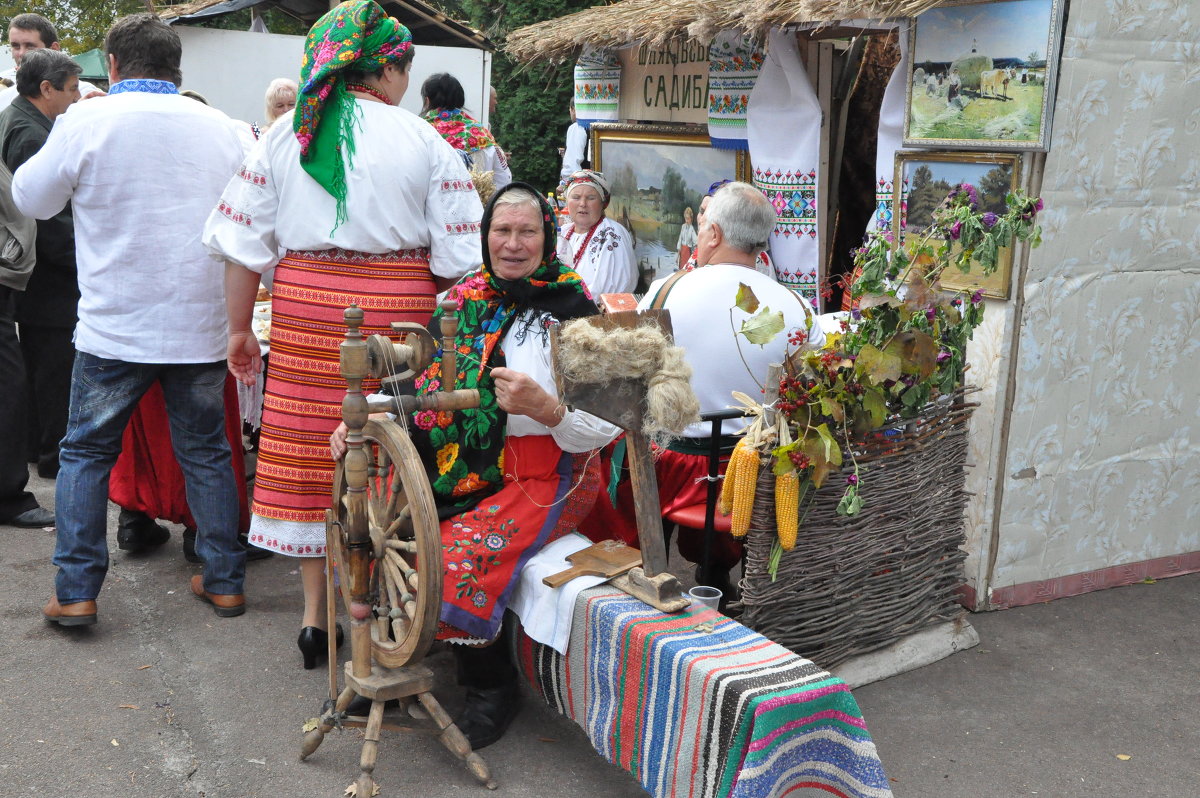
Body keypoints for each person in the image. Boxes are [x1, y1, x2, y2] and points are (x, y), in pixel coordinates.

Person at [205, 0, 484, 669]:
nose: (403, 89)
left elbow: (243, 247)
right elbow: (460, 264)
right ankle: (384, 607)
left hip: (304, 316)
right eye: (403, 75)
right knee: (387, 458)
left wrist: (240, 330)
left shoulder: (283, 134)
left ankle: (315, 620)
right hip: (397, 319)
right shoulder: (423, 140)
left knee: (309, 458)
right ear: (386, 68)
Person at [331, 183, 619, 749]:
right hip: (454, 461)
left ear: (548, 236)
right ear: (486, 235)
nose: (513, 244)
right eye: (501, 231)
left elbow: (608, 427)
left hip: (548, 474)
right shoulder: (464, 297)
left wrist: (549, 409)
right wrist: (363, 417)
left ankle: (492, 687)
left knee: (459, 555)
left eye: (527, 232)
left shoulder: (577, 310)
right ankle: (387, 660)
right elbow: (423, 385)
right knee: (372, 527)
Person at [14, 13, 250, 626]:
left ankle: (76, 591)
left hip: (114, 327)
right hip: (198, 325)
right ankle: (225, 579)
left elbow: (32, 199)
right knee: (208, 453)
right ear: (177, 68)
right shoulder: (223, 126)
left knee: (86, 454)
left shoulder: (86, 120)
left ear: (113, 65)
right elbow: (255, 216)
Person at [591, 183, 824, 593]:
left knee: (622, 444)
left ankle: (645, 557)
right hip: (750, 469)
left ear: (714, 234)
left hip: (670, 467)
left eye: (702, 228)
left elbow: (634, 371)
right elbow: (808, 389)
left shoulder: (668, 290)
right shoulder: (797, 307)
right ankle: (718, 571)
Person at [105, 81, 263, 563]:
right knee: (205, 437)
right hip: (196, 321)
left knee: (139, 424)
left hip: (129, 320)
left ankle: (136, 518)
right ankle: (205, 535)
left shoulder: (128, 162)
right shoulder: (220, 160)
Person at [0, 49, 80, 483]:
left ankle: (40, 447)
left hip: (38, 277)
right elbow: (40, 217)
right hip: (48, 280)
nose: (73, 99)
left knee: (39, 371)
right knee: (52, 372)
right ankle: (53, 454)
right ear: (45, 89)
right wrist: (82, 259)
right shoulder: (30, 132)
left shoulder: (25, 120)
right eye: (69, 90)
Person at [421, 72, 511, 190]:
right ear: (460, 99)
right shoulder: (481, 134)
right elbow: (504, 179)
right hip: (478, 206)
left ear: (427, 101)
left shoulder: (420, 132)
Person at [555, 169, 637, 297]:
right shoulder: (564, 232)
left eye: (591, 198)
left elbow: (611, 291)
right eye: (576, 197)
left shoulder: (611, 234)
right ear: (567, 201)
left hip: (594, 314)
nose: (582, 204)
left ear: (602, 203)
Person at [0, 14, 102, 112]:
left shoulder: (87, 94)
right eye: (16, 46)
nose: (21, 53)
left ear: (54, 49)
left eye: (30, 46)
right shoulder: (3, 100)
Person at [558, 97, 586, 183]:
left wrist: (565, 184)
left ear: (573, 109)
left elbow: (572, 164)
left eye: (570, 109)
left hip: (578, 182)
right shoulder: (596, 126)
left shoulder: (576, 128)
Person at [676, 205, 697, 270]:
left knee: (686, 269)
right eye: (685, 218)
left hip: (688, 252)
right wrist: (677, 256)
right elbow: (680, 240)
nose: (686, 220)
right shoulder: (683, 226)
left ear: (691, 218)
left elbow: (695, 242)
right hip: (682, 251)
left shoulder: (692, 229)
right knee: (680, 268)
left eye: (688, 218)